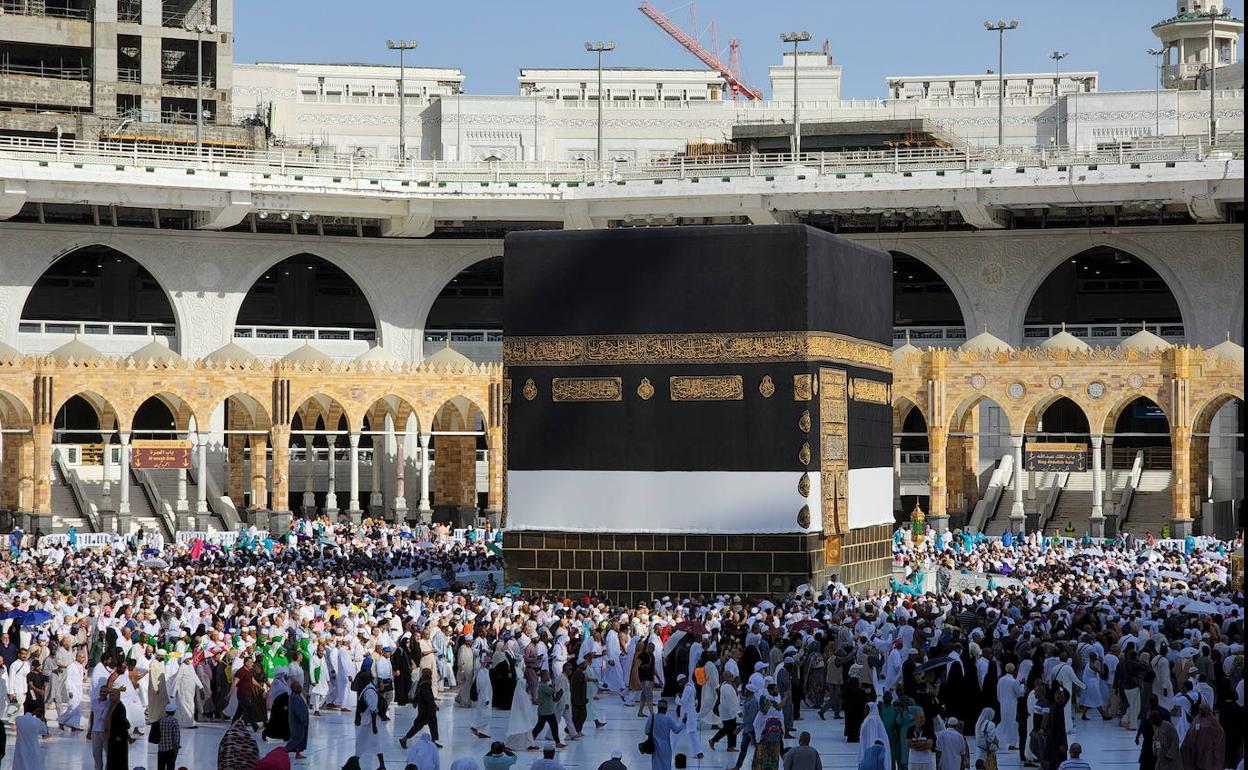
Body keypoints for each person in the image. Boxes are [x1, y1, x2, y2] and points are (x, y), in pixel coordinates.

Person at [402, 668, 441, 749]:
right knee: (419, 726)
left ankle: (433, 741)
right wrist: (433, 706)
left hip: (425, 709)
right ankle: (404, 739)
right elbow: (428, 698)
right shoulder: (425, 684)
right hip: (426, 710)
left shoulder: (422, 682)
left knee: (431, 725)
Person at [1179, 704, 1225, 770]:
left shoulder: (1212, 721)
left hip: (1207, 751)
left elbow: (1219, 733)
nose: (1200, 711)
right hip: (1196, 750)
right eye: (1200, 709)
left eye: (1202, 709)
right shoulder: (1197, 719)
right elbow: (1191, 732)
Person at [643, 700, 684, 770]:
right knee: (666, 766)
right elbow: (677, 730)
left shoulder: (652, 717)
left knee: (656, 766)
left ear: (658, 708)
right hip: (666, 748)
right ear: (666, 709)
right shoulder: (668, 719)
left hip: (655, 748)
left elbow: (646, 731)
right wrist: (683, 723)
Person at [12, 701, 48, 770]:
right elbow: (44, 731)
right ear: (35, 710)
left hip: (20, 748)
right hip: (33, 748)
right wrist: (41, 719)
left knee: (19, 765)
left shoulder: (18, 719)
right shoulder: (37, 721)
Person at [153, 701, 181, 770]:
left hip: (161, 748)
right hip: (171, 749)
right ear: (174, 712)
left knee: (161, 766)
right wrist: (177, 746)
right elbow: (176, 736)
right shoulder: (174, 721)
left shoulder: (161, 720)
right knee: (170, 766)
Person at [287, 679, 310, 761]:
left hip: (299, 722)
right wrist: (303, 719)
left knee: (300, 738)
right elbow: (299, 711)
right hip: (298, 722)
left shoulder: (295, 696)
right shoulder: (295, 698)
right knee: (297, 738)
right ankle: (284, 751)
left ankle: (298, 752)